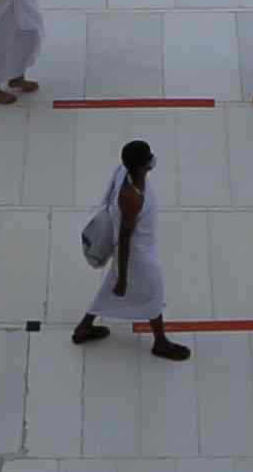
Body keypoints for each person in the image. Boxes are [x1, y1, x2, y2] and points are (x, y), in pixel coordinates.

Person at [75, 137, 189, 359]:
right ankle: (160, 343)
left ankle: (84, 327)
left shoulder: (123, 171)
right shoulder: (131, 197)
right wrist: (123, 278)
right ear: (140, 167)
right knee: (153, 293)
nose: (152, 160)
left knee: (108, 289)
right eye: (148, 159)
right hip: (138, 255)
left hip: (143, 248)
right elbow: (125, 239)